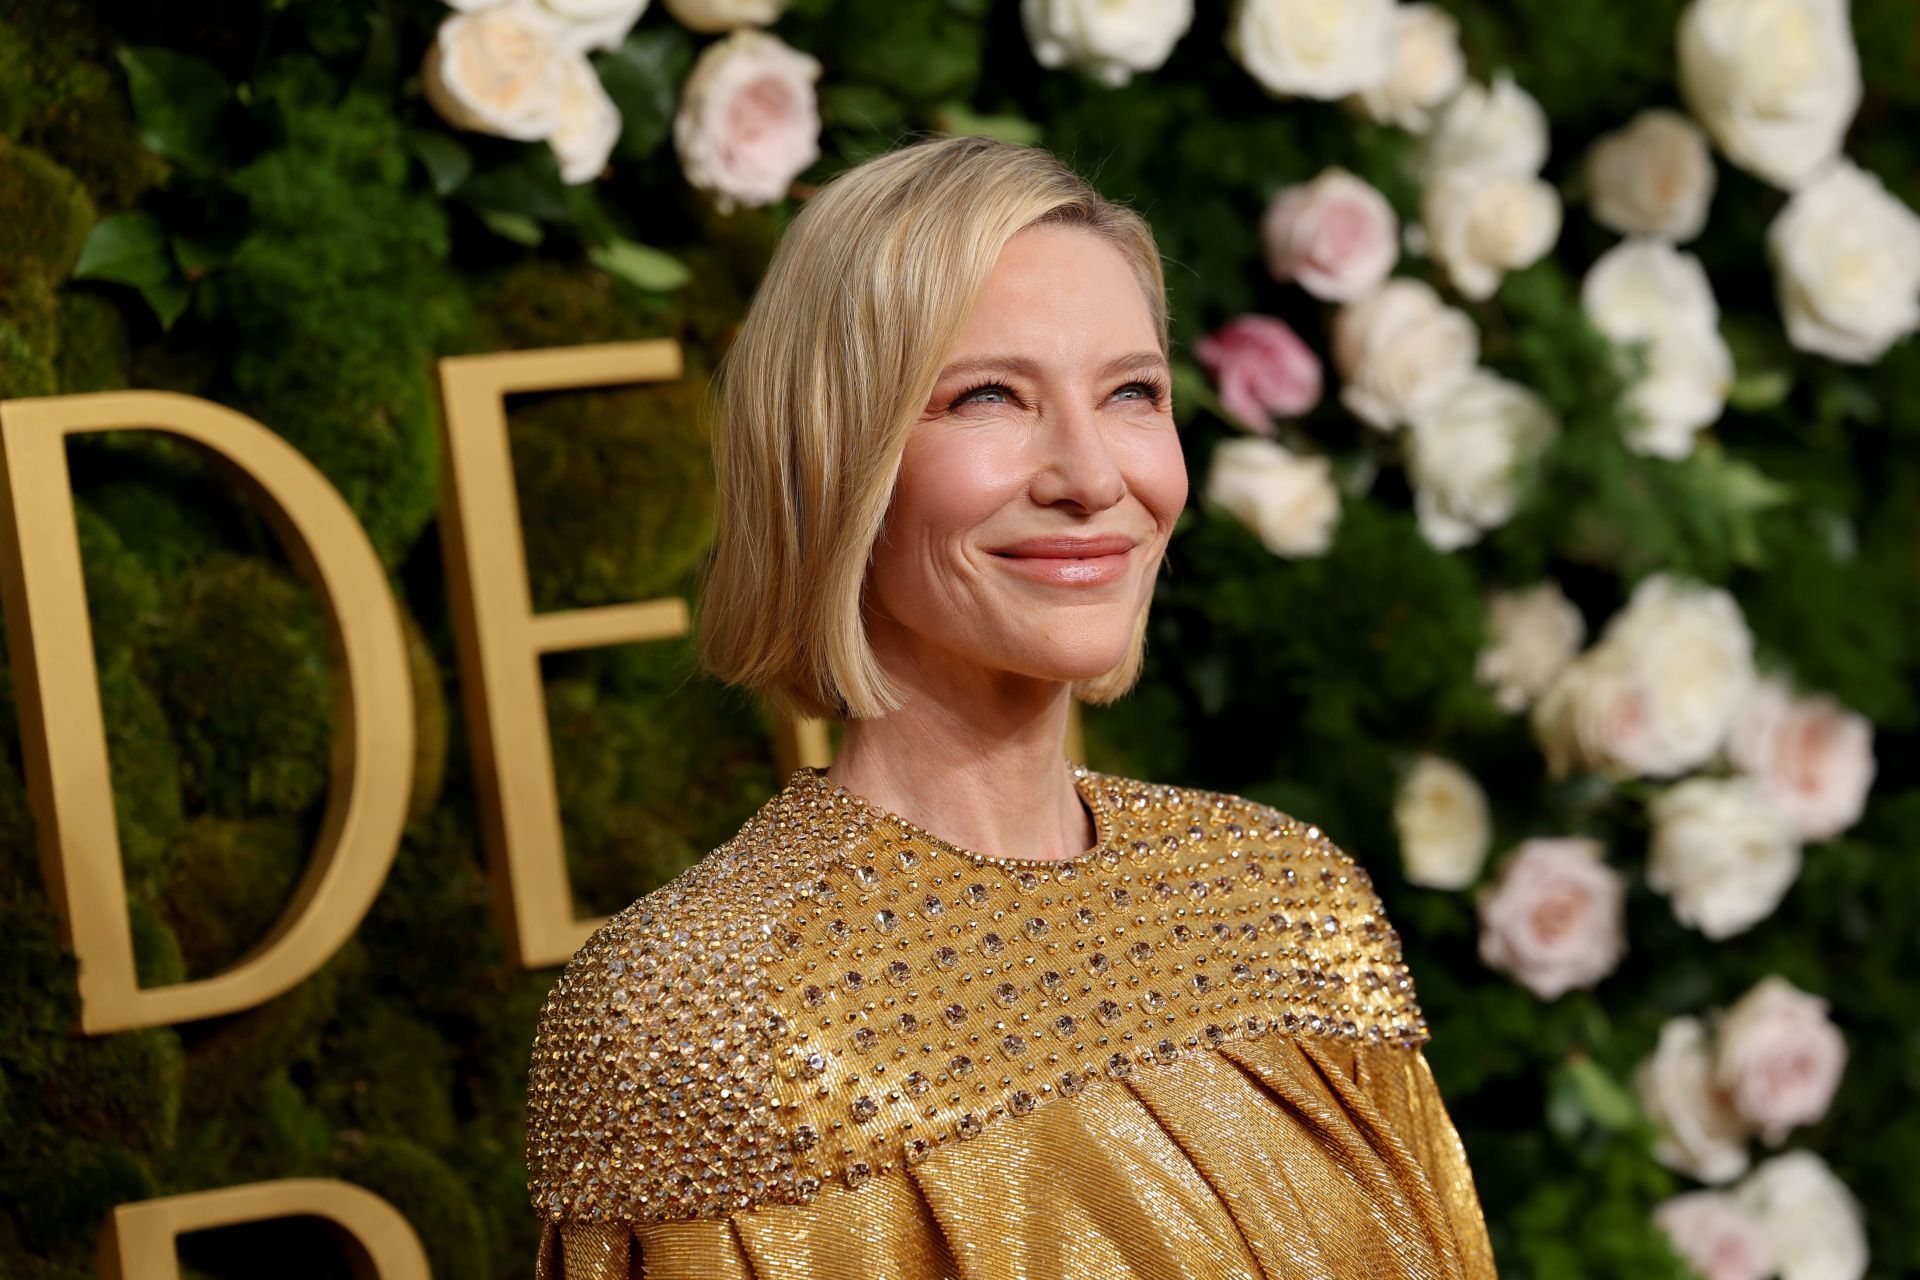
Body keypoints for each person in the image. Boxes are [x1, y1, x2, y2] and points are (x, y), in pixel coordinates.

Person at [524, 133, 1497, 1279]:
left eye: (1132, 391)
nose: (1092, 476)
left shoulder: (1287, 898)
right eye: (990, 396)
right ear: (836, 460)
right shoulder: (688, 1014)